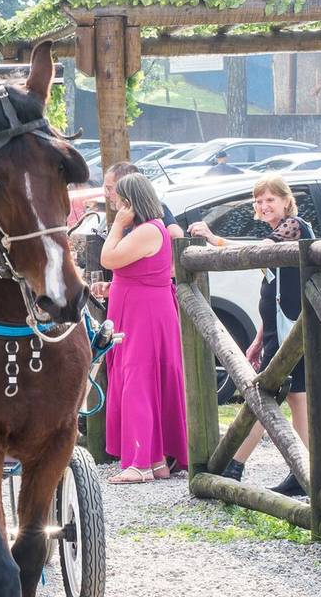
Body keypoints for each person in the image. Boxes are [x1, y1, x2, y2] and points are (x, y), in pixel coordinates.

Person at [188, 174, 313, 496]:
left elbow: (258, 251)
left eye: (270, 199)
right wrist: (259, 336)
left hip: (292, 333)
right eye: (259, 201)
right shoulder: (276, 233)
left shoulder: (293, 226)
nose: (263, 205)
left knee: (262, 399)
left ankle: (234, 466)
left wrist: (215, 239)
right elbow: (276, 293)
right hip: (278, 331)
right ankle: (306, 471)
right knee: (295, 400)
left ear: (286, 201)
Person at [100, 173, 187, 483]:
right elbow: (135, 271)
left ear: (130, 202)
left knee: (138, 380)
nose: (113, 203)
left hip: (144, 316)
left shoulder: (148, 230)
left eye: (118, 199)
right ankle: (156, 459)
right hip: (140, 310)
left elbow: (108, 257)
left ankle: (140, 463)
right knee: (143, 380)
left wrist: (117, 225)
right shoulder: (147, 231)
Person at [90, 162, 182, 300]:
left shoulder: (150, 223)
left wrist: (169, 271)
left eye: (110, 188)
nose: (107, 194)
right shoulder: (134, 221)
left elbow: (176, 234)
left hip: (147, 300)